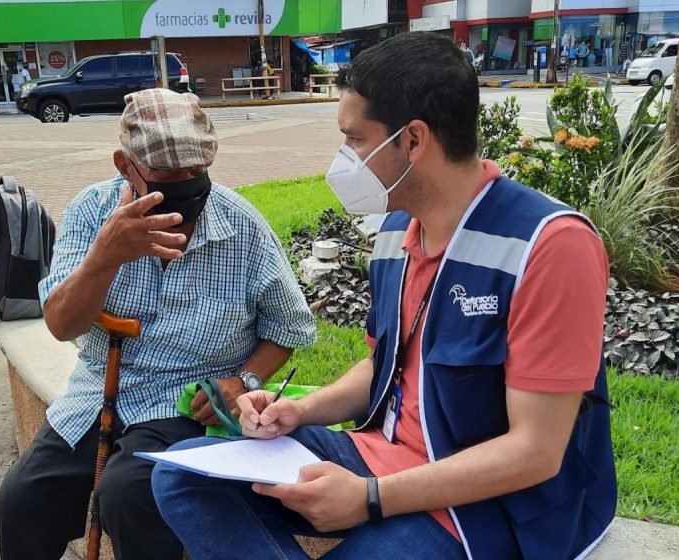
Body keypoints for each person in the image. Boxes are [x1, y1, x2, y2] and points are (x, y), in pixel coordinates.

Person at [151, 32, 616, 560]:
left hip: (485, 506)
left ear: (413, 141)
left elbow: (535, 453)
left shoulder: (549, 245)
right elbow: (386, 362)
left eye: (353, 139)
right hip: (382, 457)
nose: (342, 158)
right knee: (181, 476)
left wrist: (369, 498)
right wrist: (299, 412)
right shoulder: (399, 228)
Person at [0, 88, 316, 560]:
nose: (187, 183)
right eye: (168, 173)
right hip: (98, 392)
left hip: (184, 401)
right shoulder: (91, 211)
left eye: (197, 170)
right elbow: (62, 325)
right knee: (21, 504)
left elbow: (289, 328)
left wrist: (242, 379)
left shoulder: (240, 224)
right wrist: (105, 255)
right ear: (126, 165)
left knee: (129, 497)